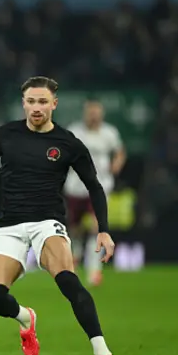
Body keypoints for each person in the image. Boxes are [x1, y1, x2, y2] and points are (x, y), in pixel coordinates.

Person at [0, 76, 120, 355]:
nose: (36, 107)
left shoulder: (69, 143)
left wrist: (103, 228)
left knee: (68, 281)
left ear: (54, 104)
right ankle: (26, 318)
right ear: (23, 103)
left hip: (47, 222)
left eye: (43, 101)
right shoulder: (5, 135)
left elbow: (94, 185)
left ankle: (103, 354)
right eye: (31, 101)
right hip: (8, 225)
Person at [64, 100, 125, 286]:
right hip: (75, 186)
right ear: (85, 114)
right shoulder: (75, 131)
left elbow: (120, 152)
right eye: (90, 112)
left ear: (101, 114)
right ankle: (74, 256)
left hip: (99, 186)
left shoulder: (109, 133)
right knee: (74, 229)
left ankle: (94, 272)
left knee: (95, 228)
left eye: (96, 113)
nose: (93, 116)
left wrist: (117, 164)